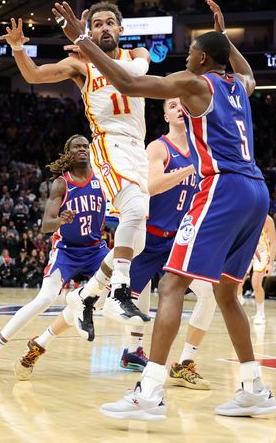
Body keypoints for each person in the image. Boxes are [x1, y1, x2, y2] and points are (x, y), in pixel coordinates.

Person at [54, 0, 276, 419]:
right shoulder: (240, 86)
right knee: (228, 293)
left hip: (222, 188)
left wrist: (82, 38)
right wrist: (227, 39)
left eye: (191, 51)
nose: (185, 55)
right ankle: (254, 387)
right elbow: (246, 71)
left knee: (173, 286)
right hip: (256, 191)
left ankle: (150, 392)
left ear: (204, 59)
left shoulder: (196, 84)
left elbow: (129, 85)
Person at [1, 2, 151, 329]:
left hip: (137, 147)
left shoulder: (137, 53)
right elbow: (33, 75)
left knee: (137, 240)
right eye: (97, 25)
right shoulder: (81, 66)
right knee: (135, 211)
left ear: (121, 30)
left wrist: (84, 42)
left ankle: (87, 294)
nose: (105, 28)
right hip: (110, 141)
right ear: (91, 30)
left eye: (111, 23)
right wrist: (17, 47)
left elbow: (134, 76)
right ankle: (119, 292)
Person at [0, 135, 114, 377]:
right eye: (76, 147)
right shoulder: (61, 184)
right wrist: (60, 219)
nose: (82, 149)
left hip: (95, 249)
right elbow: (45, 225)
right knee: (45, 299)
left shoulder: (102, 179)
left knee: (105, 299)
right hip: (67, 250)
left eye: (85, 146)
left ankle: (64, 314)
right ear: (68, 153)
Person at [121, 98, 215, 391]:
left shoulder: (204, 150)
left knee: (209, 292)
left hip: (181, 239)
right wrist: (188, 170)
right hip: (148, 235)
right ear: (165, 115)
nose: (179, 108)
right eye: (172, 105)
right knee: (117, 300)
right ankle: (133, 349)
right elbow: (152, 185)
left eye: (183, 104)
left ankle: (185, 362)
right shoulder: (158, 147)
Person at [247, 215, 276, 324]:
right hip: (249, 250)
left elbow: (273, 243)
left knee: (255, 283)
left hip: (263, 252)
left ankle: (261, 314)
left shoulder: (268, 220)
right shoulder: (248, 214)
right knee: (237, 281)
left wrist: (271, 263)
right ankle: (239, 300)